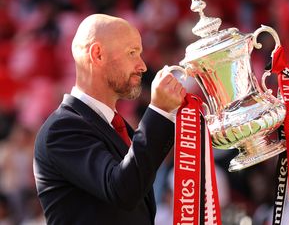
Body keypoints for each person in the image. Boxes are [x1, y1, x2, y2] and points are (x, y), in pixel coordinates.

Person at [33, 14, 186, 224]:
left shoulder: (117, 127)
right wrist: (160, 112)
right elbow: (123, 189)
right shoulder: (61, 129)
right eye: (132, 53)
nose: (142, 65)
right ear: (97, 54)